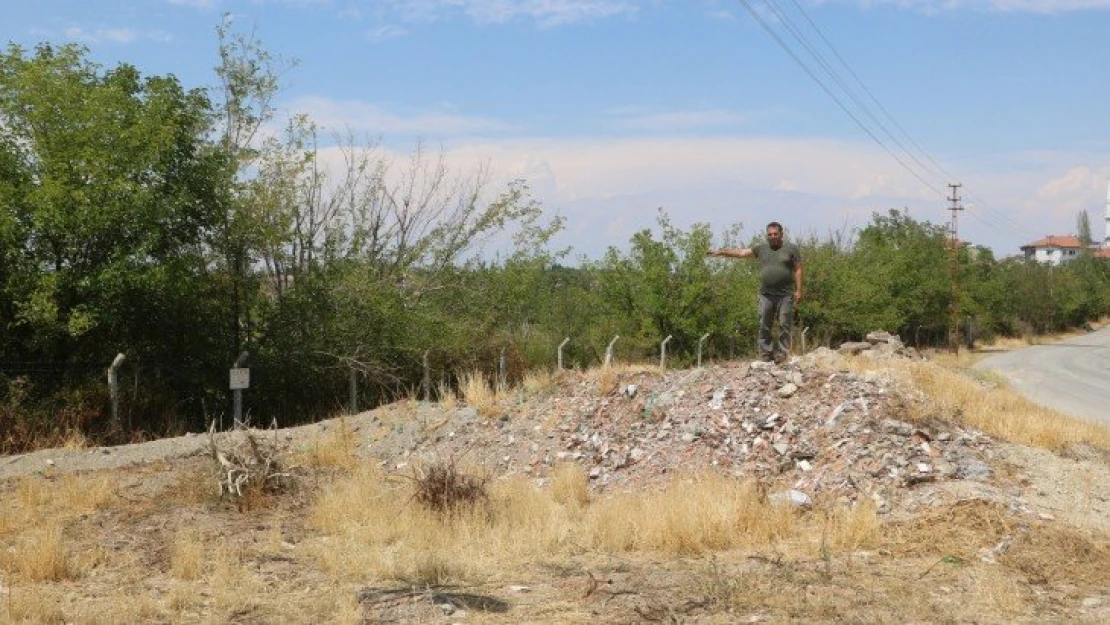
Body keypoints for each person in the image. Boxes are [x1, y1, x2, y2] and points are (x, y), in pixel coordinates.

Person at [706, 222, 803, 364]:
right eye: (770, 234)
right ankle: (766, 353)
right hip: (766, 295)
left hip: (786, 294)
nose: (773, 237)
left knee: (784, 324)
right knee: (764, 324)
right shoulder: (761, 248)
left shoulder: (791, 249)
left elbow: (798, 269)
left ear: (782, 234)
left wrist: (799, 290)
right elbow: (741, 253)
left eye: (775, 234)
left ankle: (782, 354)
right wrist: (720, 252)